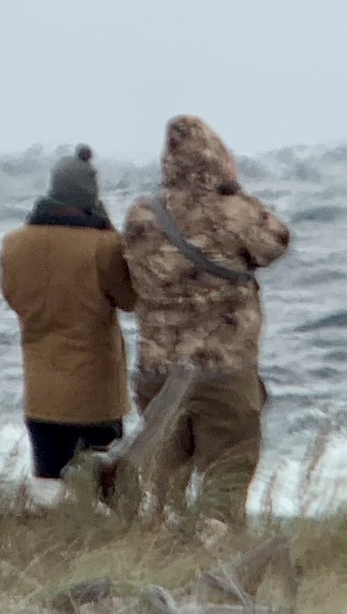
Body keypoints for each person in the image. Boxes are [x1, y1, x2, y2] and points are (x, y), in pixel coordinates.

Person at [123, 115, 290, 525]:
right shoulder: (233, 210)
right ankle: (215, 549)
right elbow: (276, 243)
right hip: (223, 368)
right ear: (217, 158)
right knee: (228, 471)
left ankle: (161, 551)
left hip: (157, 371)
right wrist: (234, 190)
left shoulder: (142, 214)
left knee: (164, 476)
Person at [0, 145, 137, 489]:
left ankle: (53, 542)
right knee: (101, 491)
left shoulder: (15, 244)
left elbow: (12, 296)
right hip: (95, 396)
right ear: (90, 195)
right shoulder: (103, 246)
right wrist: (109, 230)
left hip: (41, 394)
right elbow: (131, 299)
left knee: (48, 487)